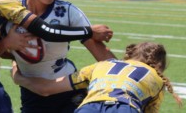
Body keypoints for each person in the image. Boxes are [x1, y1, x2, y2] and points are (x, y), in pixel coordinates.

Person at [0, 0, 116, 113]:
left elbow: (105, 58)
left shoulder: (69, 12)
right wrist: (8, 45)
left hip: (69, 93)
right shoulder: (9, 10)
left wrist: (129, 76)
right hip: (32, 96)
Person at [11, 42, 183, 113]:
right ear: (158, 66)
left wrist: (18, 76)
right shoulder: (157, 80)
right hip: (124, 107)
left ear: (128, 56)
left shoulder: (102, 65)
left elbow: (46, 89)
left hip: (89, 107)